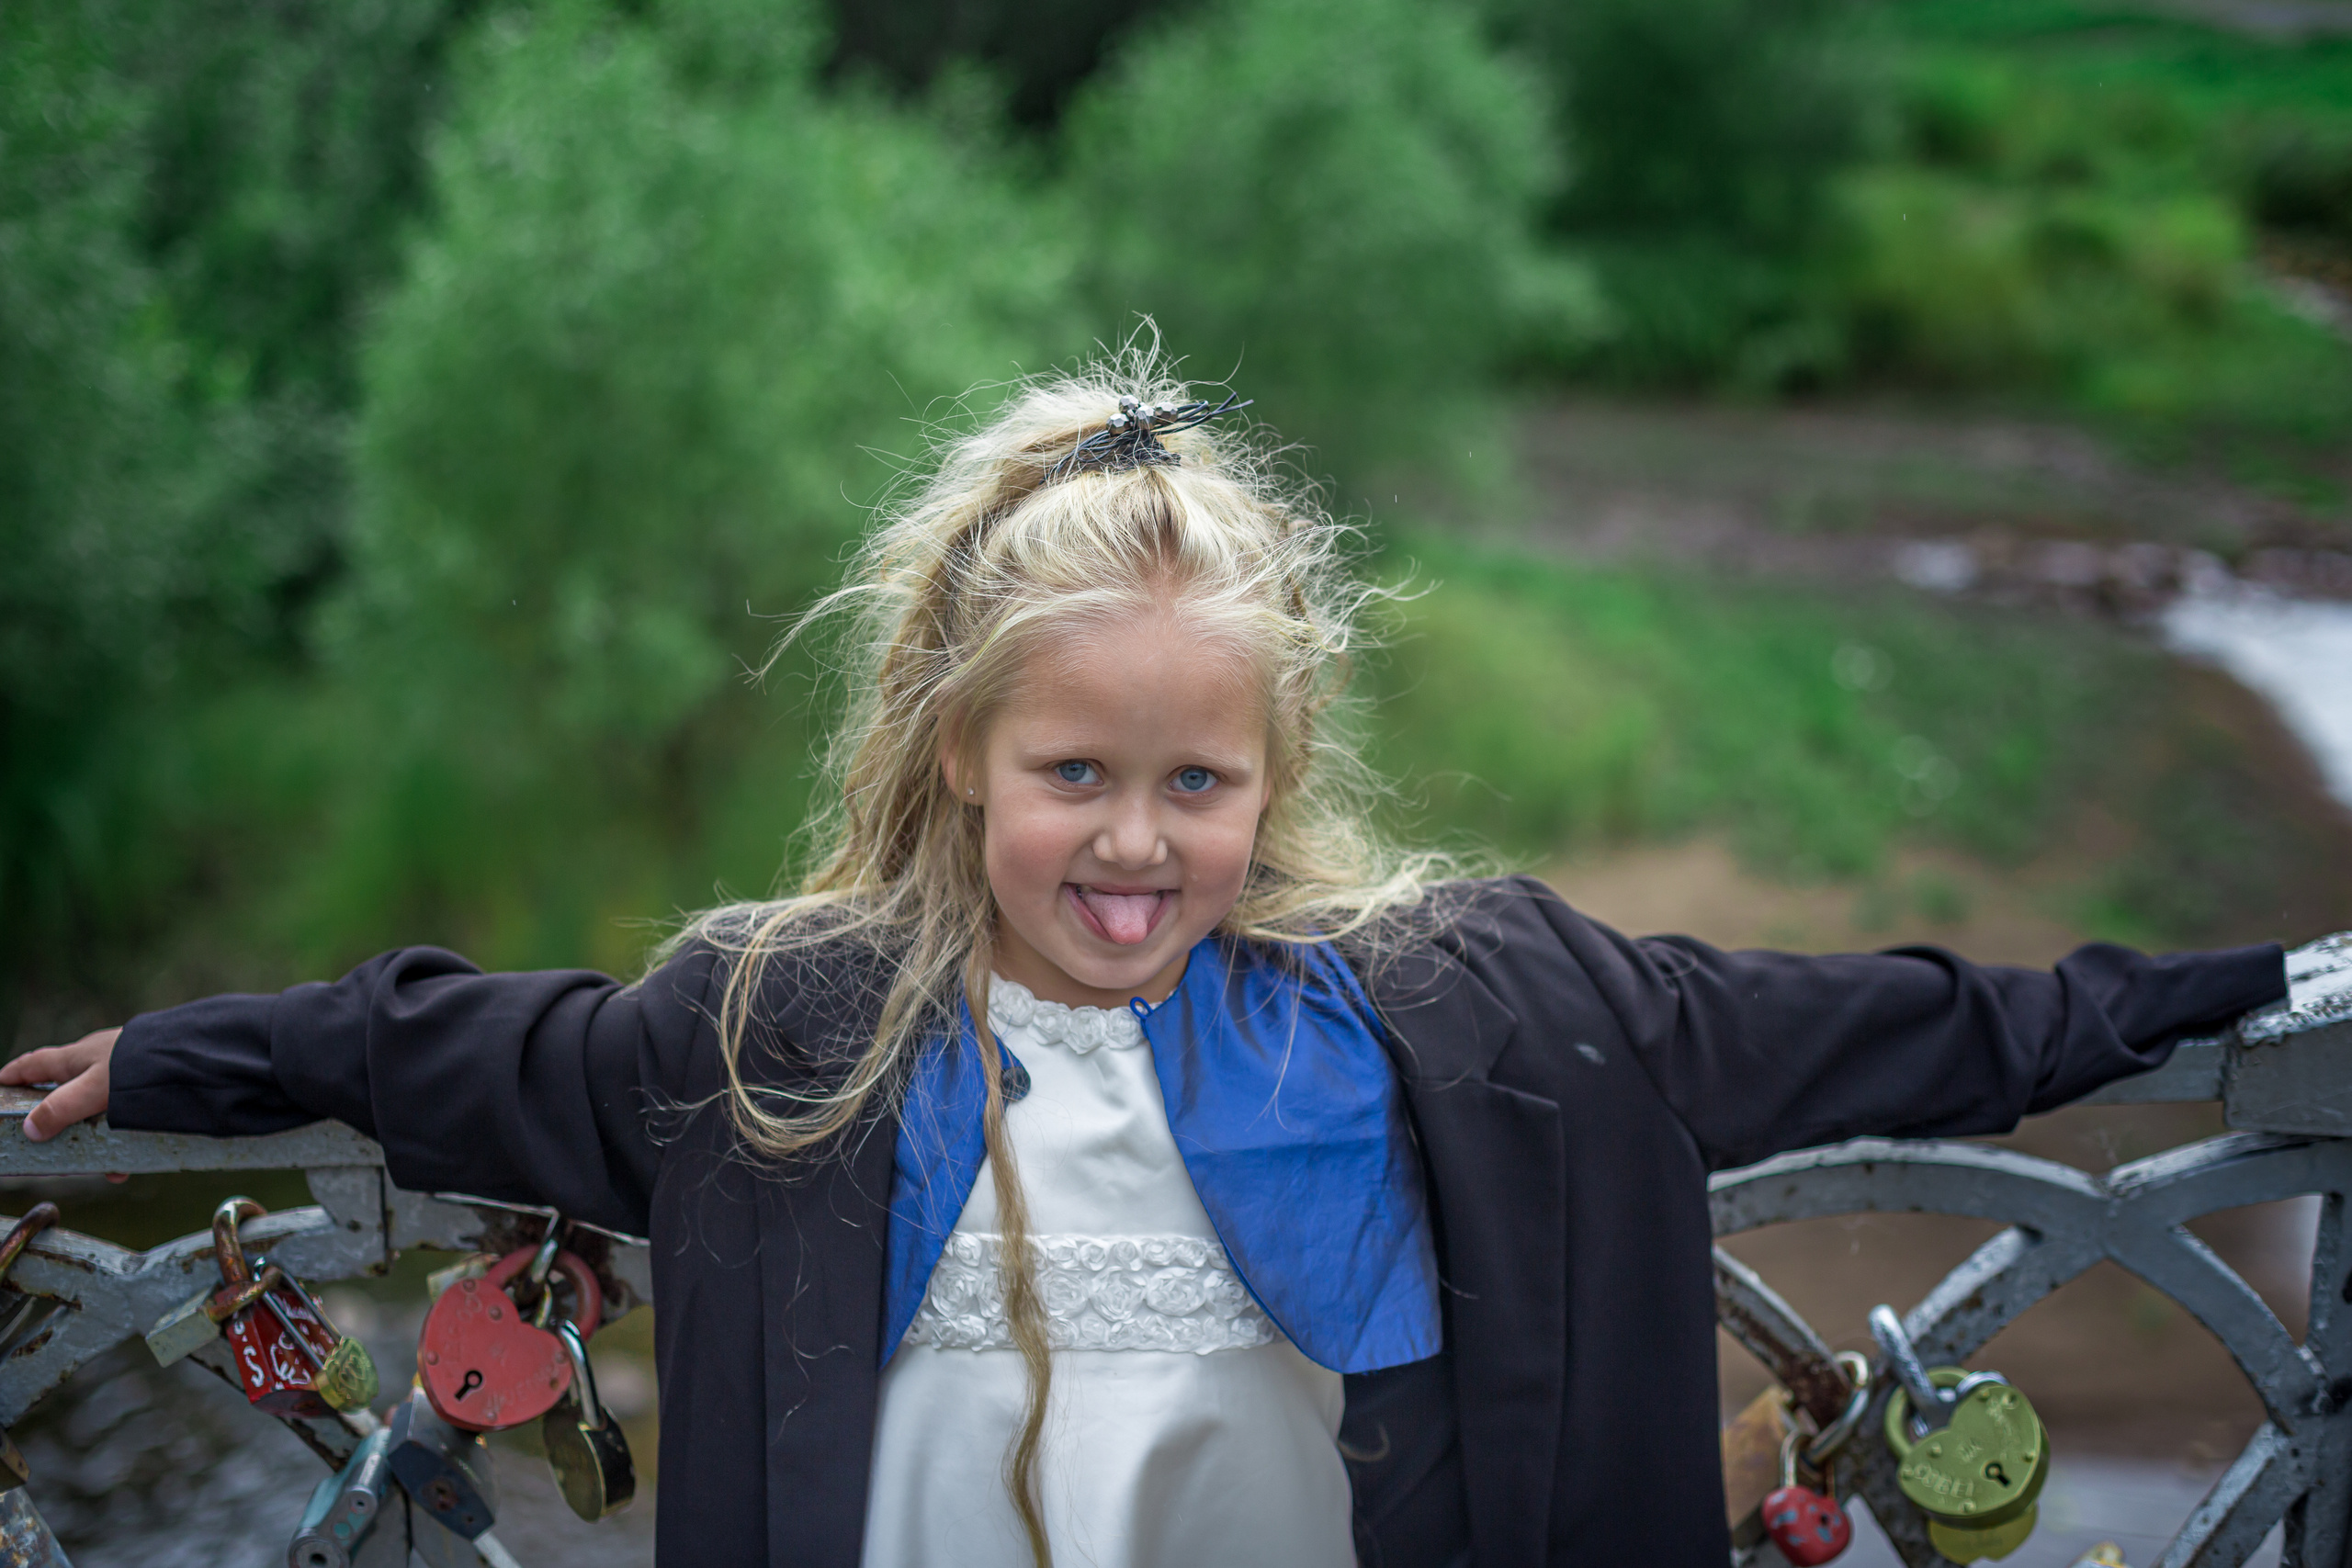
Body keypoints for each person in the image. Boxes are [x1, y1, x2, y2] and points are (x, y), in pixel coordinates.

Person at [3, 355, 2287, 1568]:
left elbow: (1873, 1020)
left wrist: (2210, 996)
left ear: (1273, 777)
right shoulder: (787, 1027)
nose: (1131, 839)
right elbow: (456, 1046)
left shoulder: (1467, 1005)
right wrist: (187, 1058)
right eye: (1074, 771)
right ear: (954, 749)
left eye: (1196, 785)